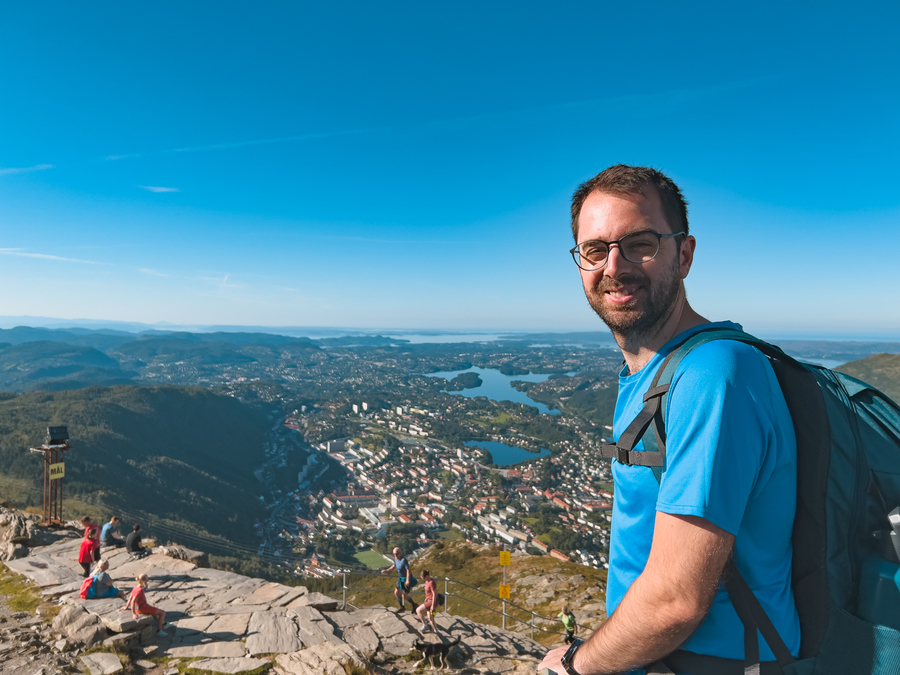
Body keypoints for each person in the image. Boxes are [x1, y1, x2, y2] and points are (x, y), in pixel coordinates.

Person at [539, 165, 798, 675]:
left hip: (718, 663)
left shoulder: (711, 376)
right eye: (595, 250)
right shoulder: (651, 372)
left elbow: (676, 600)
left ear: (684, 254)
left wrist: (574, 665)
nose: (614, 266)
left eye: (640, 244)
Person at [379, 547, 418, 613]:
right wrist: (387, 570)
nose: (395, 555)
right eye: (394, 554)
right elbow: (394, 565)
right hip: (401, 579)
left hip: (406, 579)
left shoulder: (404, 560)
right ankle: (402, 607)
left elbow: (408, 570)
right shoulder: (396, 559)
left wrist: (407, 580)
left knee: (404, 596)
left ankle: (414, 605)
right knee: (396, 593)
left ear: (400, 553)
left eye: (396, 554)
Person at [415, 569, 439, 634]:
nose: (422, 578)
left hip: (432, 601)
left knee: (418, 610)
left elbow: (434, 594)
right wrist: (426, 598)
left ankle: (425, 625)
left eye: (423, 577)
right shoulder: (427, 581)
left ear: (427, 576)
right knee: (430, 618)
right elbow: (428, 592)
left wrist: (433, 606)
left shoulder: (432, 582)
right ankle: (436, 631)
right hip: (428, 600)